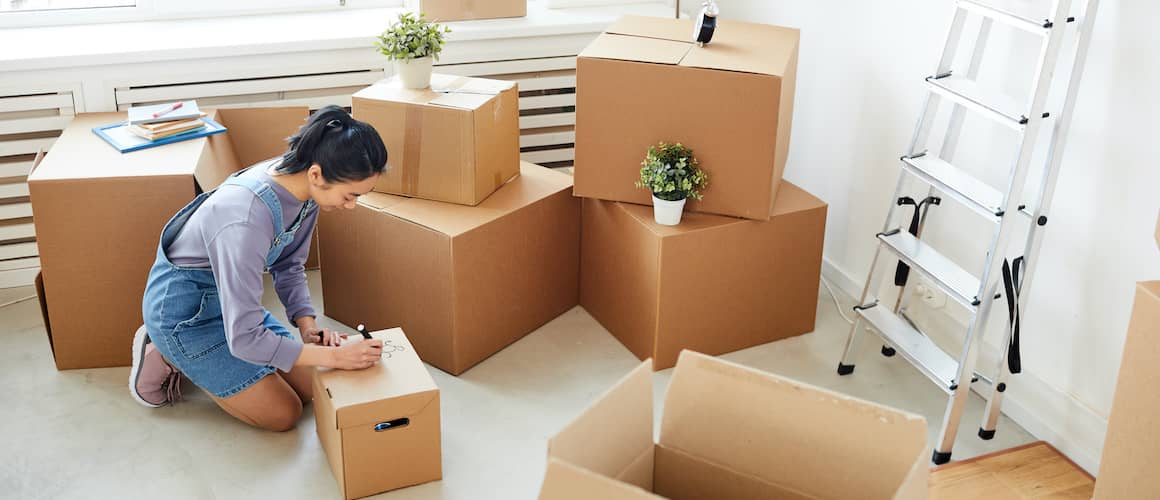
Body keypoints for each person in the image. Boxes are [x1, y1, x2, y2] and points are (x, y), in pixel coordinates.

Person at [129, 105, 387, 431]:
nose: (351, 207)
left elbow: (289, 264)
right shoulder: (245, 217)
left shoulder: (303, 189)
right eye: (350, 196)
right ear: (317, 174)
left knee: (312, 389)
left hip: (232, 306)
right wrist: (335, 357)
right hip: (185, 320)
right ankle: (164, 352)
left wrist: (308, 328)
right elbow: (246, 340)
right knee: (284, 413)